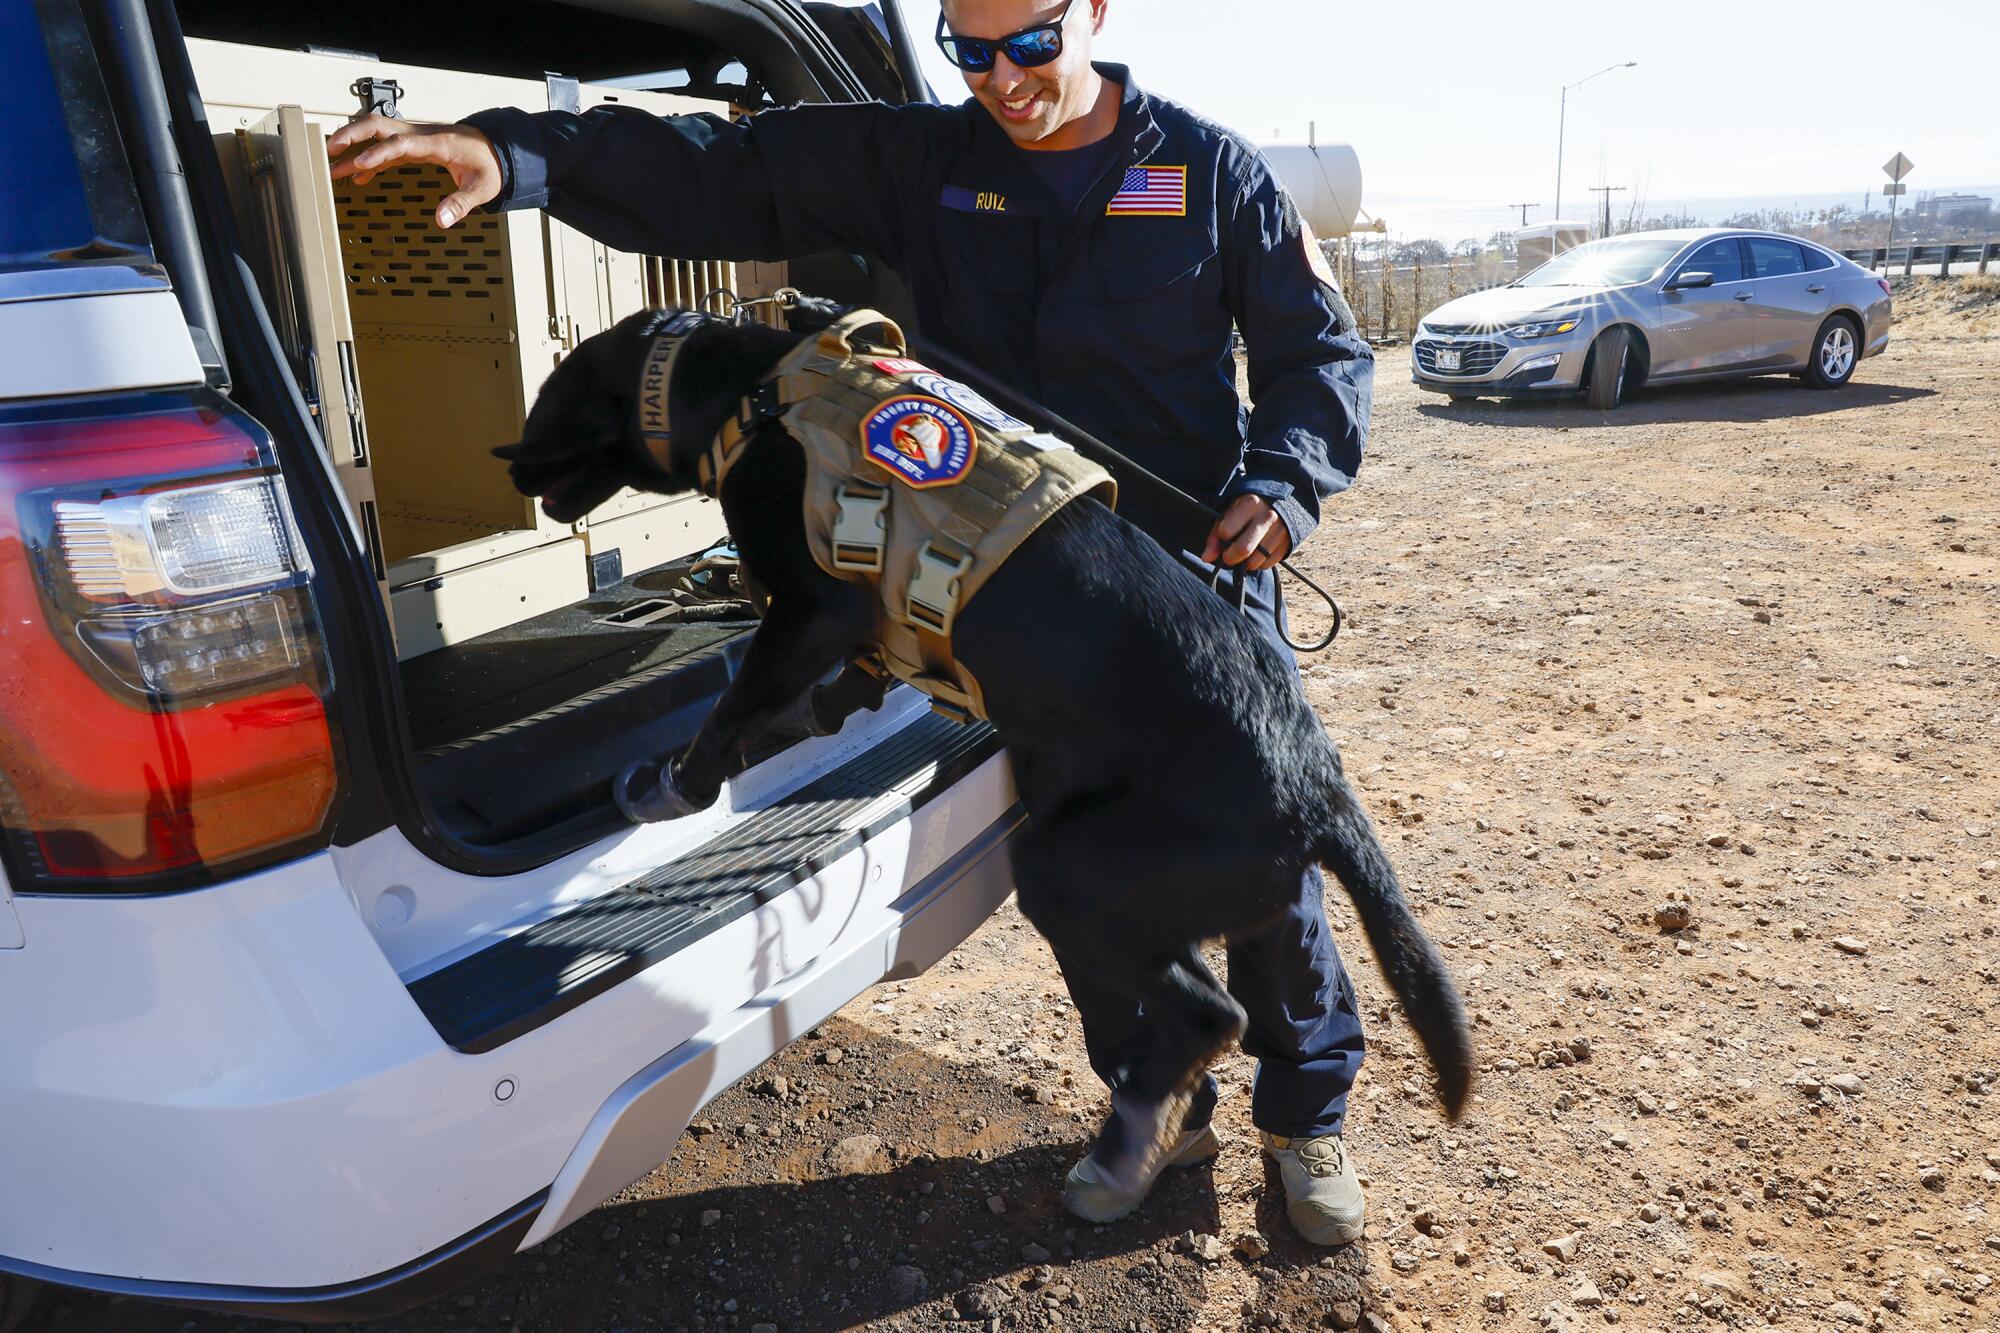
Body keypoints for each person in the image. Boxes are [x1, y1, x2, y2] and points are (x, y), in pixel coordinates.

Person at [328, 0, 1376, 1246]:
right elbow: (728, 171)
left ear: (1090, 11)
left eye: (1030, 44)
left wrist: (1284, 477)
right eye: (968, 51)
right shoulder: (922, 164)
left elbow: (1317, 354)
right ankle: (1152, 1097)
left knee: (1261, 863)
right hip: (1022, 616)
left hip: (1196, 587)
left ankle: (1305, 1117)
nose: (1001, 80)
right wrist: (516, 156)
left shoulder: (1209, 175)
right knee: (1081, 866)